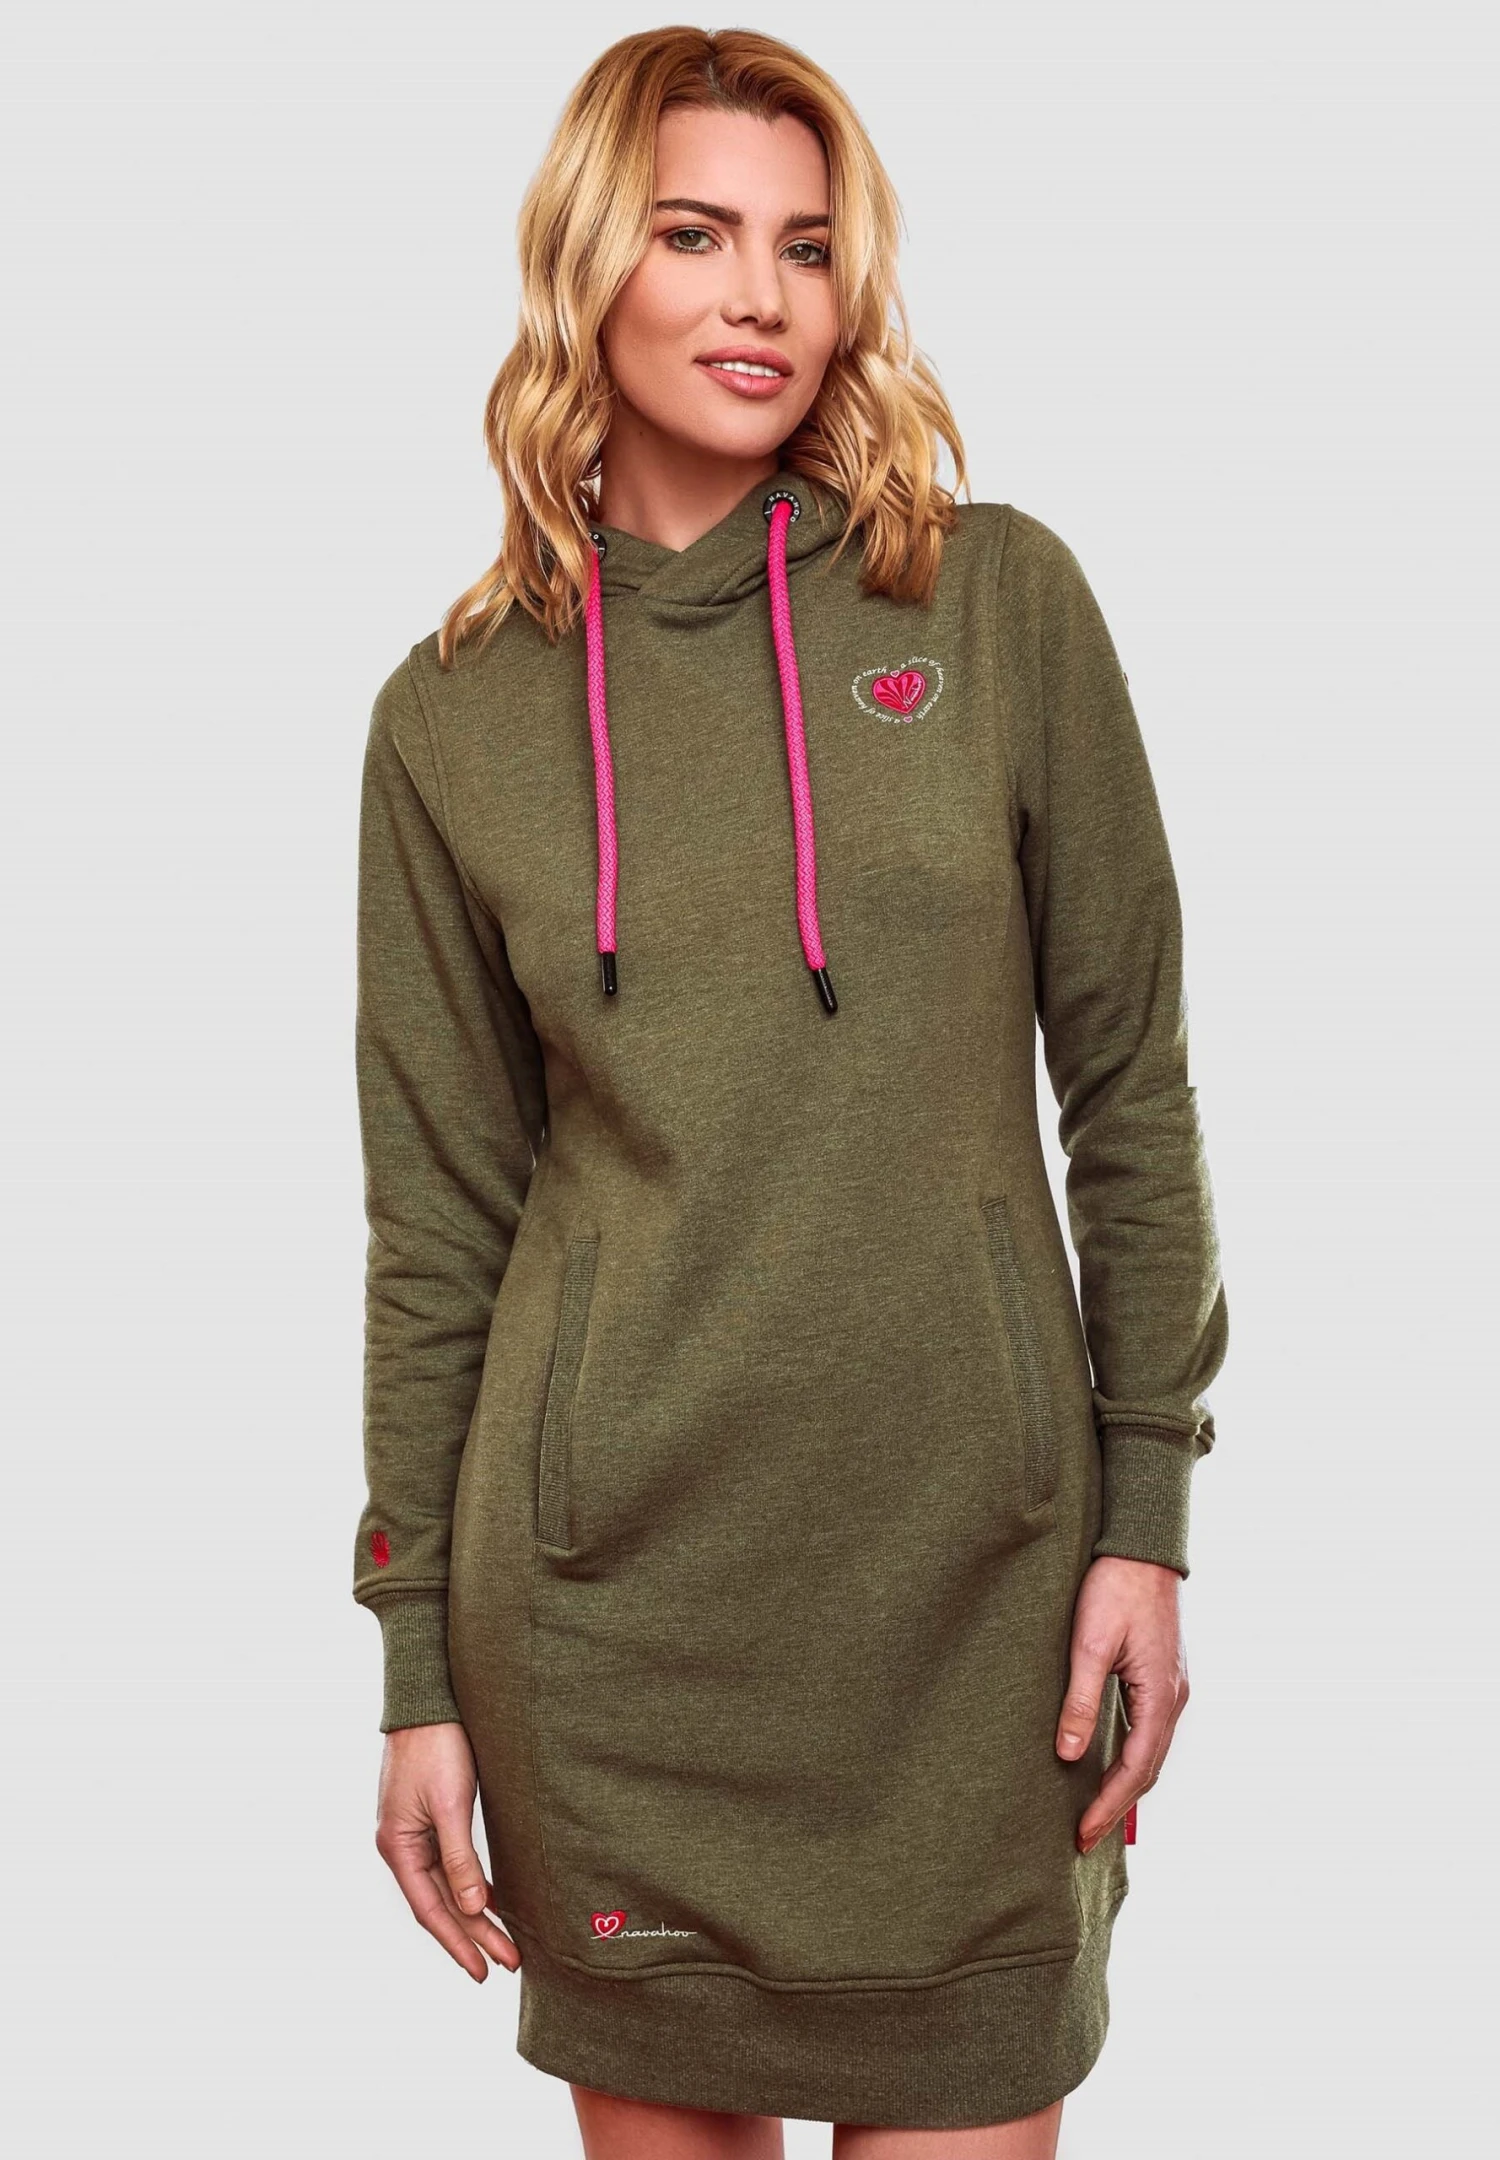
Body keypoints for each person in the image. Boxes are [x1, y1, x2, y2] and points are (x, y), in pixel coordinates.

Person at [351, 26, 1228, 2160]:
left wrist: (1147, 1517)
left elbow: (1133, 1090)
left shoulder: (995, 603)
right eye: (696, 235)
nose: (761, 296)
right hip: (611, 1624)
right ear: (590, 264)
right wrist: (417, 1667)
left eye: (808, 247)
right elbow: (440, 1226)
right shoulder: (451, 721)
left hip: (979, 1601)